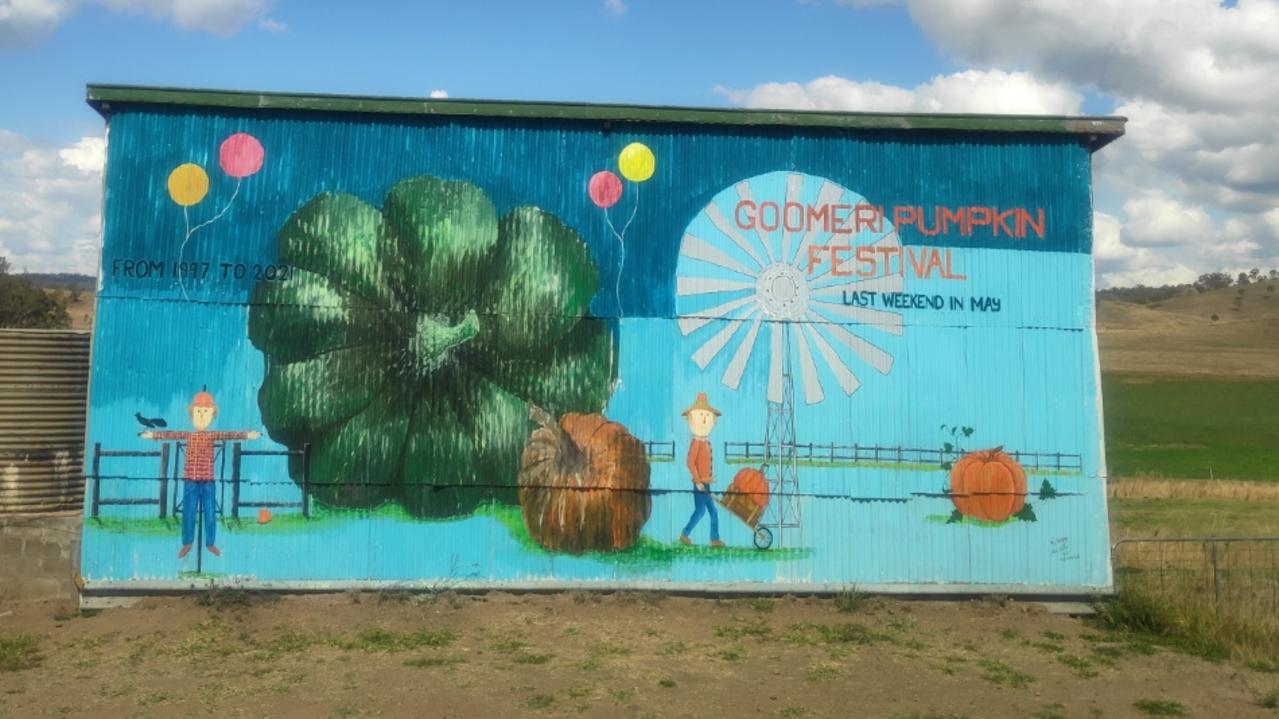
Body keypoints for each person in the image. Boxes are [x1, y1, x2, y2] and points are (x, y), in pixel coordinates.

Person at [140, 387, 259, 558]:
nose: (202, 415)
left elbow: (229, 434)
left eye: (206, 411)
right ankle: (187, 543)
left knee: (210, 513)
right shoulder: (189, 436)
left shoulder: (211, 436)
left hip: (208, 481)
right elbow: (171, 435)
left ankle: (210, 543)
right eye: (198, 411)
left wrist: (247, 435)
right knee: (188, 513)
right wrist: (152, 435)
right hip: (190, 481)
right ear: (192, 414)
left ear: (212, 415)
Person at [679, 392, 725, 548]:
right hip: (701, 484)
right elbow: (690, 462)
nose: (705, 419)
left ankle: (685, 534)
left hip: (705, 483)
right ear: (691, 418)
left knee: (700, 511)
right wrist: (698, 481)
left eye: (707, 415)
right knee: (713, 511)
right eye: (701, 415)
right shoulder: (697, 443)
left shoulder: (704, 442)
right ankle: (714, 538)